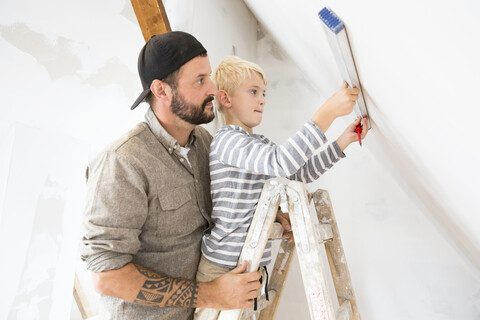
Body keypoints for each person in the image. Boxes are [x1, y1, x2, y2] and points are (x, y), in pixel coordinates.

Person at [80, 32, 270, 320]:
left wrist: (274, 215)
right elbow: (107, 276)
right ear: (161, 90)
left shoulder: (206, 143)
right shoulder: (122, 162)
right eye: (199, 80)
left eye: (210, 76)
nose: (213, 88)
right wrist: (211, 294)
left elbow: (232, 200)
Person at [195, 56, 368, 317]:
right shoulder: (227, 141)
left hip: (249, 265)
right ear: (226, 99)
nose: (262, 99)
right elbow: (282, 163)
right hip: (222, 270)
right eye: (253, 92)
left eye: (264, 93)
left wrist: (342, 141)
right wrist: (327, 112)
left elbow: (298, 172)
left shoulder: (256, 144)